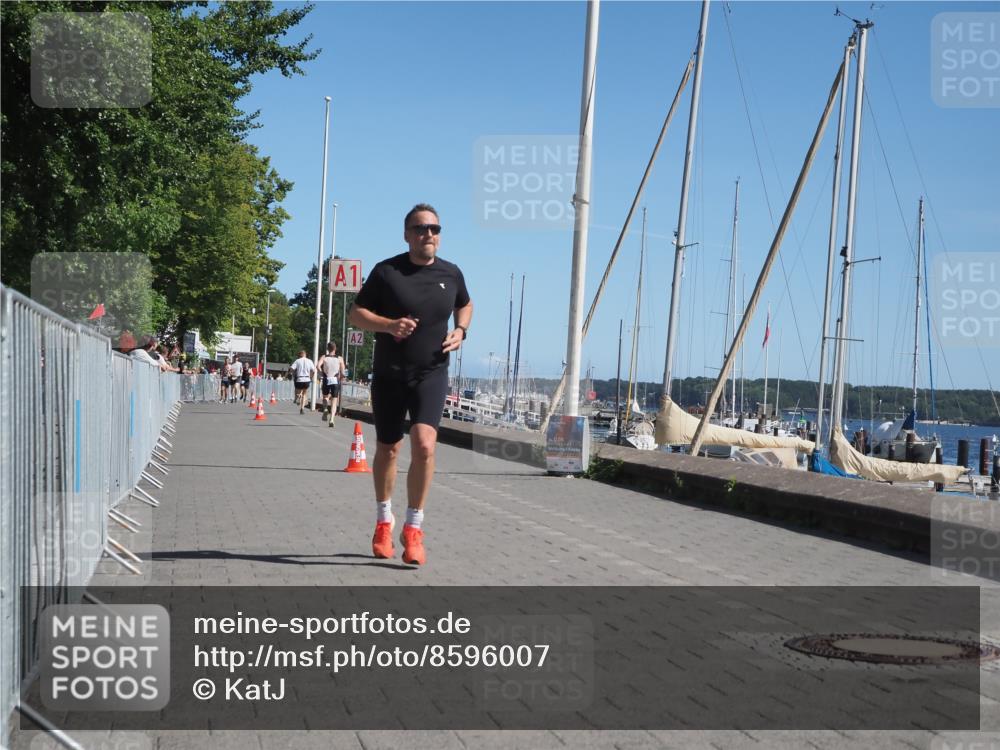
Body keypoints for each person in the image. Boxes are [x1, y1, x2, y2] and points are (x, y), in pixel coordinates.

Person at [348, 203, 472, 565]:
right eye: (420, 228)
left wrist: (461, 330)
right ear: (407, 235)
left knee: (425, 445)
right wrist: (389, 325)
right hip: (390, 374)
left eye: (434, 228)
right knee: (388, 449)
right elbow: (356, 313)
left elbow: (466, 304)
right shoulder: (387, 272)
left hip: (431, 373)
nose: (428, 234)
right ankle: (383, 522)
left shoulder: (451, 273)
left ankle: (414, 528)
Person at [317, 342, 345, 428]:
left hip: (326, 379)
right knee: (334, 401)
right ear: (335, 348)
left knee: (325, 397)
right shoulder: (340, 358)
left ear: (327, 349)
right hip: (335, 380)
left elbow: (318, 366)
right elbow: (343, 372)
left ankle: (325, 408)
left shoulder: (324, 357)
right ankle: (332, 419)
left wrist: (321, 373)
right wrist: (341, 378)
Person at [290, 350, 316, 414]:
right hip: (307, 379)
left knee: (298, 392)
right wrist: (311, 377)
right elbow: (314, 370)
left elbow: (292, 368)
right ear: (305, 354)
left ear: (300, 355)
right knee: (304, 394)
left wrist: (293, 374)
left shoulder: (297, 361)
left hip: (299, 379)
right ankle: (302, 408)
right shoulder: (310, 361)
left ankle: (298, 396)